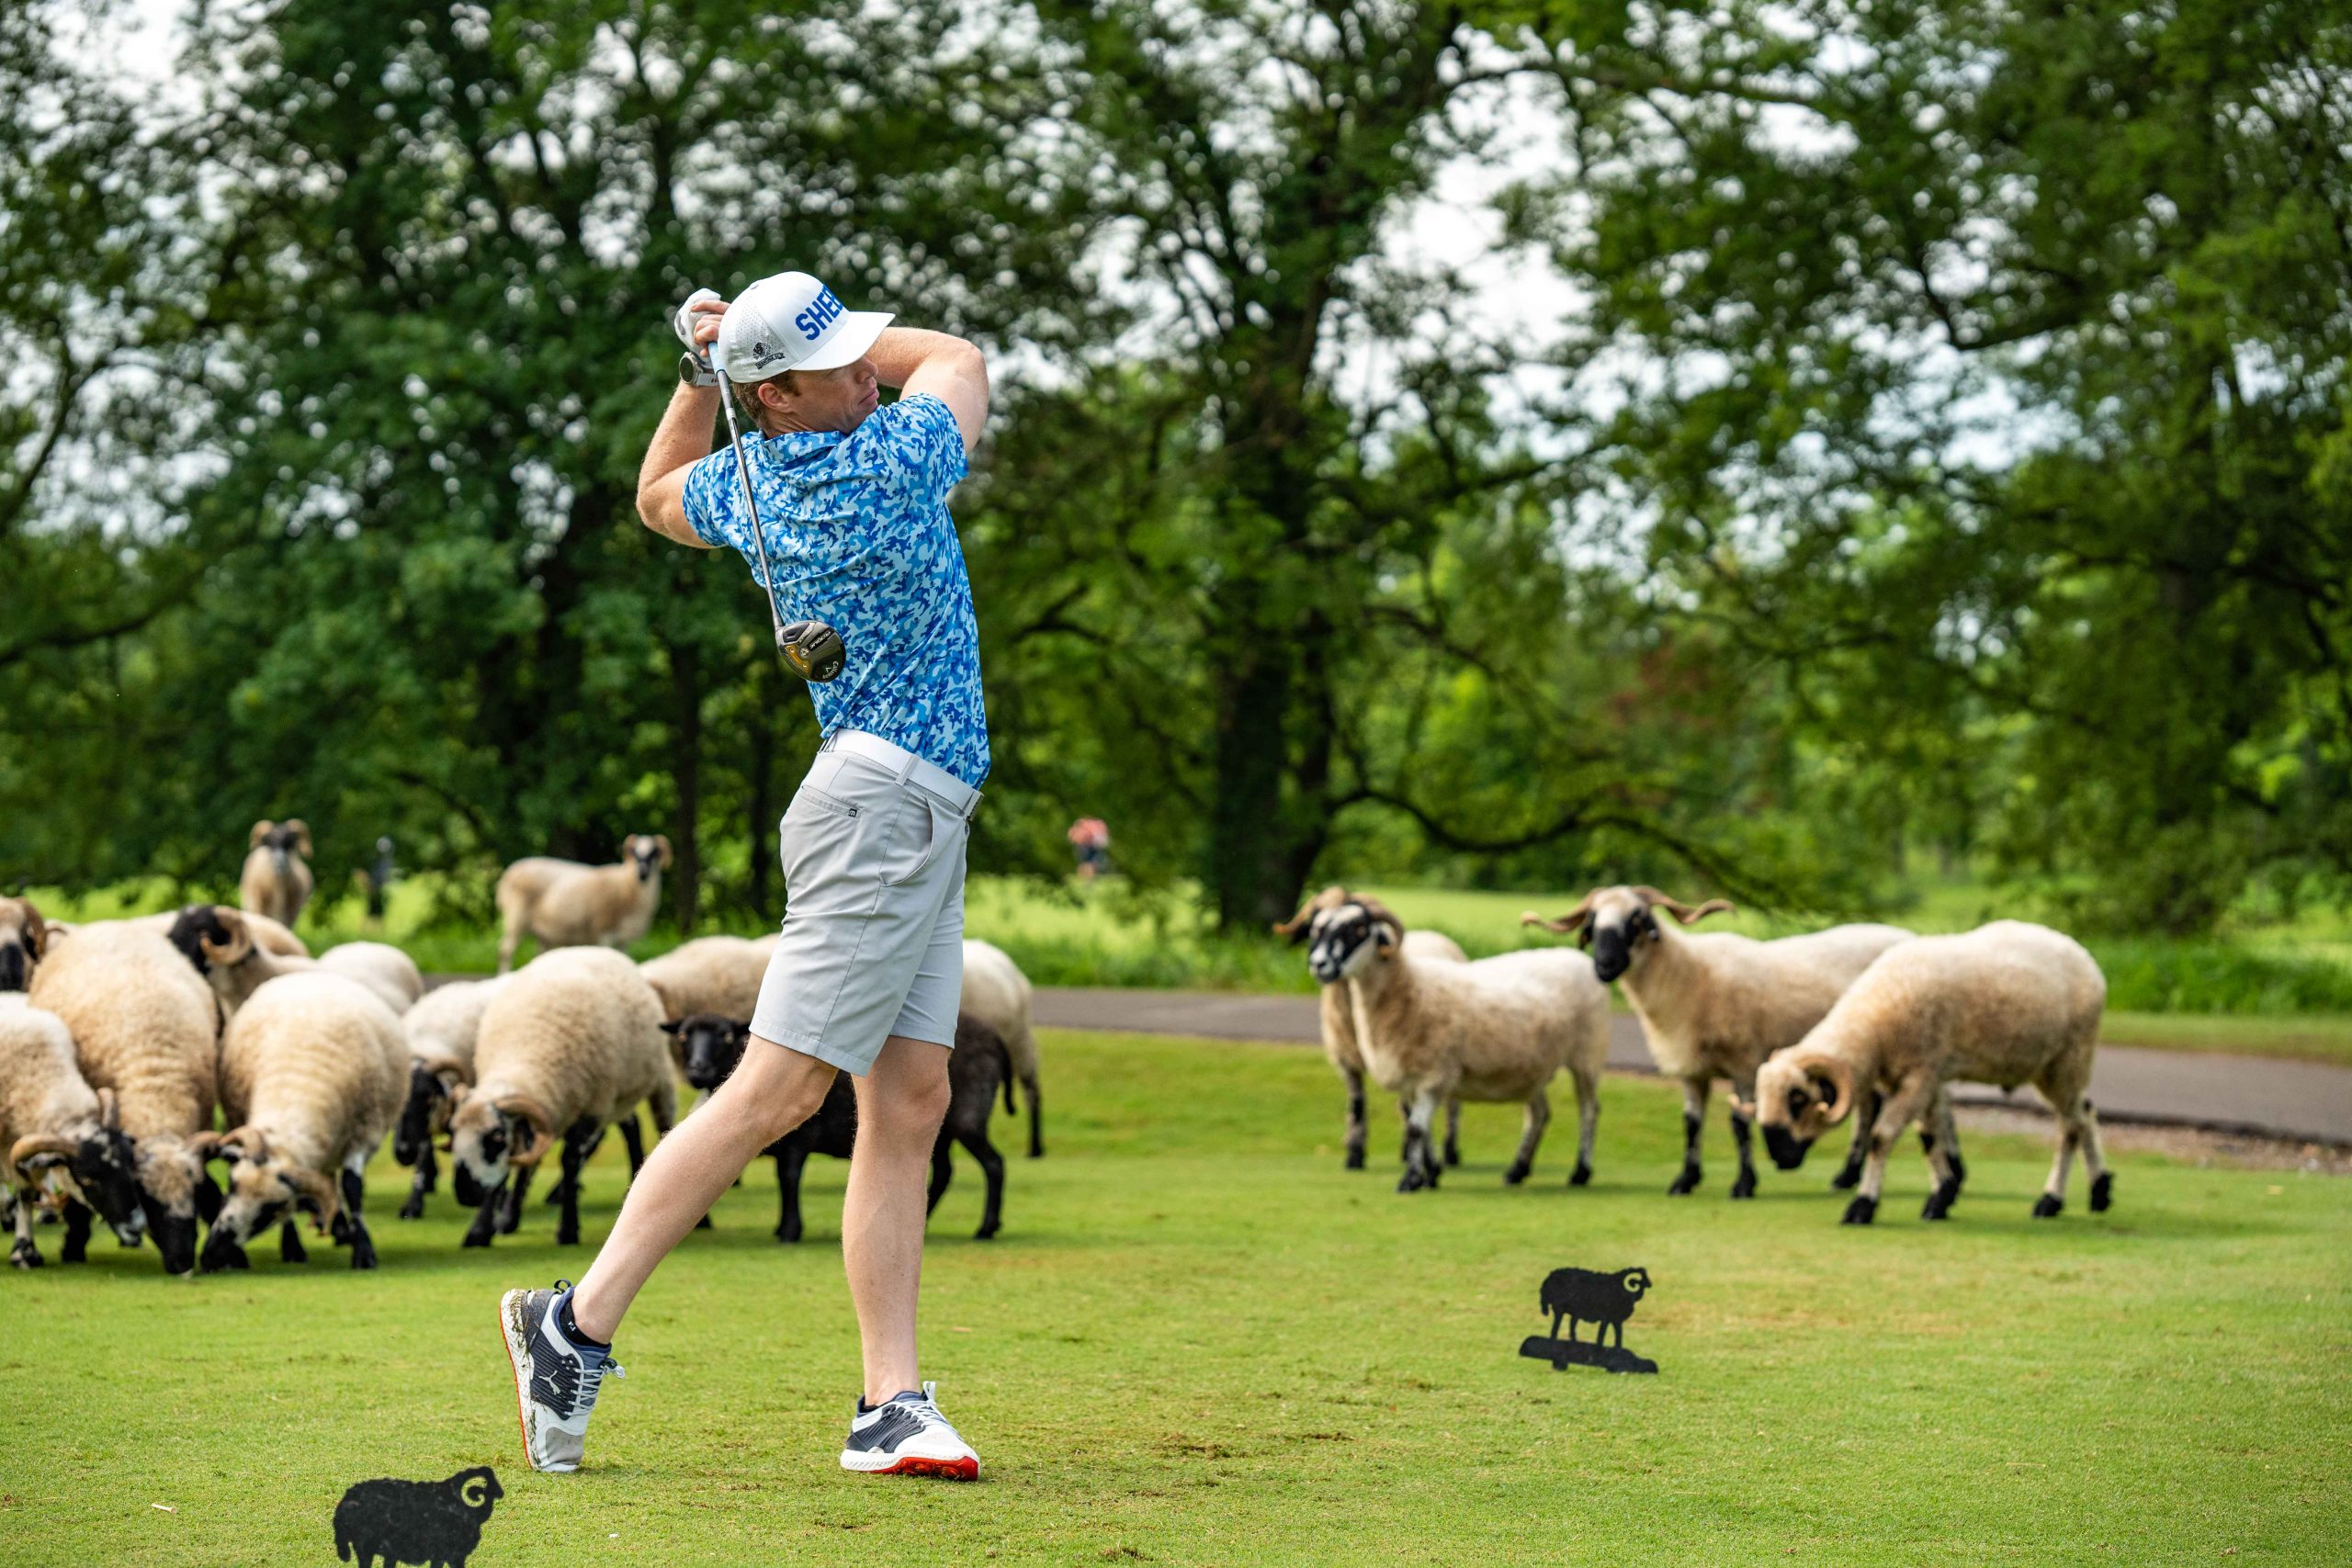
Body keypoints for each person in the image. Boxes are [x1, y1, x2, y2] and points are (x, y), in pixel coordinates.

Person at [496, 270, 992, 1481]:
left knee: (911, 1100)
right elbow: (963, 358)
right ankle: (575, 1324)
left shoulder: (757, 481)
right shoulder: (890, 466)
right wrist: (741, 355)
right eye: (840, 365)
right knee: (774, 1094)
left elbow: (657, 493)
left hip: (903, 811)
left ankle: (890, 1403)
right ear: (778, 396)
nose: (871, 371)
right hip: (882, 813)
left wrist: (697, 369)